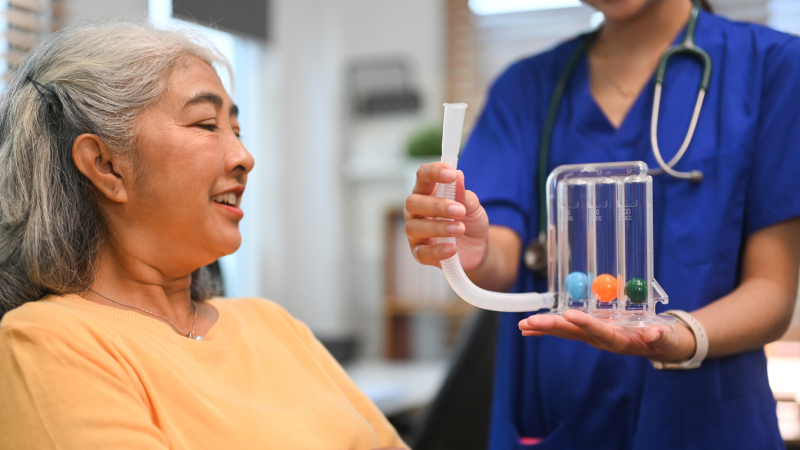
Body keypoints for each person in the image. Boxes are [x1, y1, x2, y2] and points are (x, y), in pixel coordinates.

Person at [404, 0, 800, 448]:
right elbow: (499, 256)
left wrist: (679, 335)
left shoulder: (772, 66)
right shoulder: (526, 89)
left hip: (705, 421)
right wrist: (468, 247)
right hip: (561, 418)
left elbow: (772, 289)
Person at [0, 21, 407, 450]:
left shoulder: (274, 323)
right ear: (106, 165)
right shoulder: (48, 342)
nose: (244, 157)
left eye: (237, 131)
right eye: (206, 125)